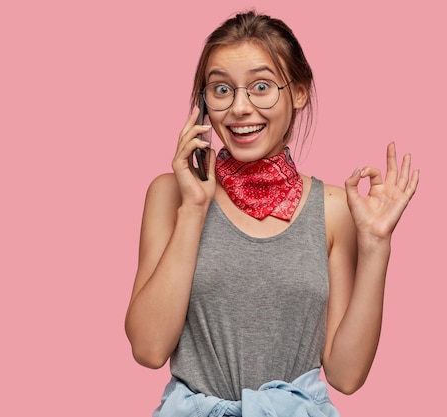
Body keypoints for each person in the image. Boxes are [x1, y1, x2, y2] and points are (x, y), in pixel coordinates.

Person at [124, 10, 419, 417]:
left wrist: (376, 245)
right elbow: (148, 348)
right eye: (221, 90)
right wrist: (194, 207)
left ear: (298, 92)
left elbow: (347, 375)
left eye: (261, 87)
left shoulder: (334, 209)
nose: (240, 108)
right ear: (204, 102)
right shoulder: (170, 194)